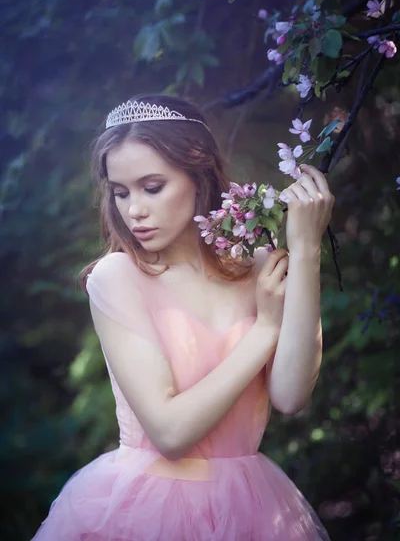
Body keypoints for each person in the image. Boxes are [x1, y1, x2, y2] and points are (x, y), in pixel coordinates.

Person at [31, 93, 335, 540]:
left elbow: (290, 397)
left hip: (250, 509)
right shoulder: (118, 277)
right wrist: (265, 328)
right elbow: (171, 434)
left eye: (152, 187)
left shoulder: (257, 267)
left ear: (198, 176)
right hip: (144, 510)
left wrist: (306, 250)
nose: (133, 209)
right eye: (120, 192)